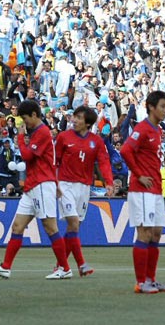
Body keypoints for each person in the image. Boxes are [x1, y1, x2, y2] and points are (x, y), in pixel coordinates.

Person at [0, 100, 71, 279]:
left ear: (34, 115)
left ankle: (65, 268)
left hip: (41, 184)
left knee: (50, 227)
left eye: (25, 118)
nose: (23, 123)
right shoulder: (37, 132)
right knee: (17, 226)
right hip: (33, 185)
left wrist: (21, 139)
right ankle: (5, 266)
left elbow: (28, 155)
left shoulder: (42, 132)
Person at [120, 90, 165, 294]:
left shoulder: (157, 130)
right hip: (141, 189)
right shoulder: (142, 128)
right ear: (151, 106)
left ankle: (151, 279)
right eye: (162, 106)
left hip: (155, 188)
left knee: (157, 234)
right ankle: (141, 282)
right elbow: (125, 150)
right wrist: (139, 174)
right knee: (145, 233)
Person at [55, 106, 113, 276]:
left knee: (75, 227)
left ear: (87, 123)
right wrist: (54, 182)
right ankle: (81, 265)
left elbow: (103, 162)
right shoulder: (63, 137)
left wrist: (108, 183)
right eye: (74, 117)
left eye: (79, 118)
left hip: (84, 187)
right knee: (73, 223)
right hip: (65, 185)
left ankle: (60, 266)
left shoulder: (96, 141)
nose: (74, 120)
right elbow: (54, 161)